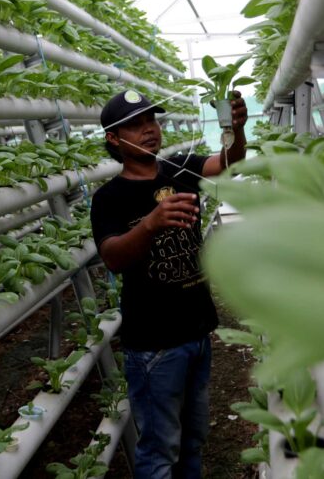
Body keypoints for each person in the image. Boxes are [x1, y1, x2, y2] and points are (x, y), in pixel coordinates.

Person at [90, 88, 248, 479]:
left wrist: (237, 130)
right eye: (135, 125)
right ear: (114, 138)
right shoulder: (109, 198)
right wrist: (150, 224)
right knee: (160, 450)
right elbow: (113, 258)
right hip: (154, 344)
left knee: (193, 439)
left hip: (197, 331)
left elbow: (228, 161)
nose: (149, 130)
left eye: (152, 121)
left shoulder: (179, 169)